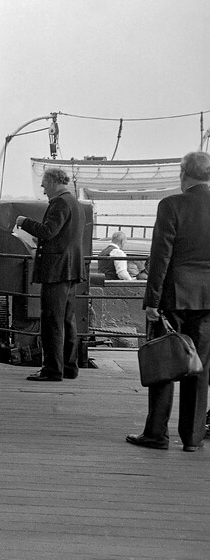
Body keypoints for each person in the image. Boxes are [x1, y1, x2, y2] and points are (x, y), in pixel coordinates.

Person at [126, 151, 210, 452]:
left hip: (174, 295)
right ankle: (192, 438)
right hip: (208, 299)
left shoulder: (172, 205)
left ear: (183, 173)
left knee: (165, 361)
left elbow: (161, 255)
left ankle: (157, 433)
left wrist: (152, 300)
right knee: (199, 367)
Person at [15, 167, 86, 382]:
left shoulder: (60, 203)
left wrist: (23, 222)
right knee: (67, 320)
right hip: (70, 269)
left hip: (56, 270)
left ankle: (52, 370)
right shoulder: (75, 203)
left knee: (51, 321)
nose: (43, 189)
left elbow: (48, 231)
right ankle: (69, 366)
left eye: (44, 184)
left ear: (54, 182)